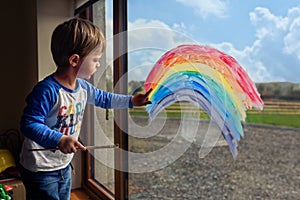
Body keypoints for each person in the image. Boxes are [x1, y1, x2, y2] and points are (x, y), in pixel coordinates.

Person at [19, 17, 151, 200]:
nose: (98, 65)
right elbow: (29, 124)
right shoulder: (47, 90)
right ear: (75, 60)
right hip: (40, 168)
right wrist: (59, 139)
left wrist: (131, 101)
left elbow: (105, 99)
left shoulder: (83, 87)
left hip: (63, 164)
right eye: (96, 60)